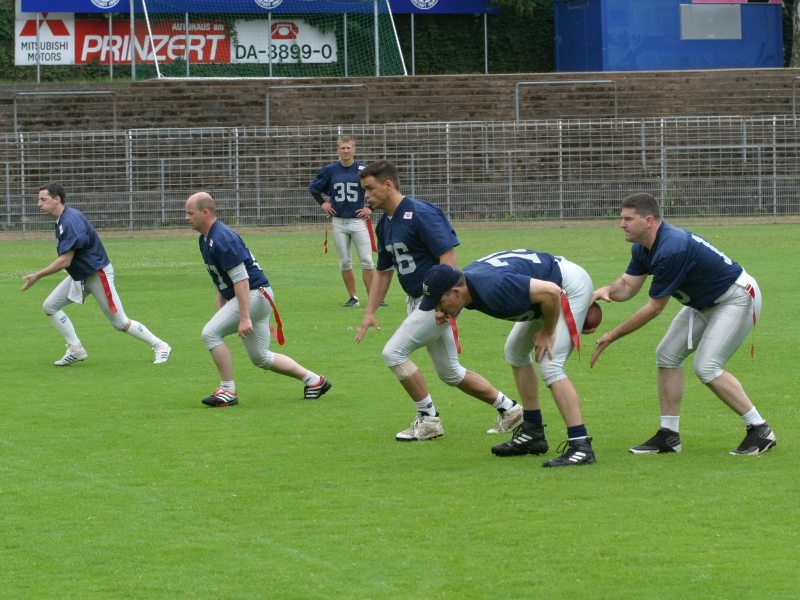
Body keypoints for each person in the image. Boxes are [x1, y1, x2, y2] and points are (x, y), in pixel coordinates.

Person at [591, 192, 776, 456]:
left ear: (649, 221)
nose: (621, 224)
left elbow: (655, 307)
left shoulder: (672, 247)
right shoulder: (642, 246)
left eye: (628, 219)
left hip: (735, 297)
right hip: (703, 303)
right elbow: (627, 287)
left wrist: (612, 335)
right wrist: (605, 291)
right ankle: (669, 436)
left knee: (707, 367)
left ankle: (760, 429)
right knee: (667, 355)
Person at [354, 160, 522, 441]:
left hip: (436, 298)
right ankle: (511, 409)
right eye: (364, 190)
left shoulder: (420, 212)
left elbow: (449, 259)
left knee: (393, 353)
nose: (366, 195)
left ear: (388, 185)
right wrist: (369, 311)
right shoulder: (385, 224)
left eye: (370, 189)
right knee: (450, 372)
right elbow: (383, 273)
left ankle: (429, 419)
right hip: (418, 299)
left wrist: (444, 304)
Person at [420, 252, 596, 467]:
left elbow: (551, 292)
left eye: (439, 303)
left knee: (551, 364)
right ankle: (533, 432)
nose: (438, 311)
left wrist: (549, 331)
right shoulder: (466, 285)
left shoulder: (493, 287)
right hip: (546, 290)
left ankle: (581, 445)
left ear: (456, 293)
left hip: (565, 288)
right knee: (515, 351)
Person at [185, 191, 332, 407]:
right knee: (261, 357)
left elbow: (241, 279)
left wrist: (244, 317)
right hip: (255, 296)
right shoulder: (206, 238)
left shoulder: (222, 238)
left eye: (190, 213)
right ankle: (314, 381)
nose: (186, 217)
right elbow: (221, 278)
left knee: (210, 333)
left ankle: (228, 390)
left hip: (253, 295)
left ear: (205, 212)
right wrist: (222, 308)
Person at [21, 183, 172, 366]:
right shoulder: (63, 220)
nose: (39, 204)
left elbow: (65, 261)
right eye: (39, 200)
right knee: (50, 306)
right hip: (81, 275)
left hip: (97, 274)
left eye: (43, 200)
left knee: (120, 322)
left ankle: (160, 345)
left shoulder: (70, 221)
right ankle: (76, 349)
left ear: (57, 199)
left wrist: (37, 275)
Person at [309, 135, 376, 307]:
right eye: (342, 148)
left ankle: (373, 298)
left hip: (358, 220)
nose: (345, 151)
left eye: (348, 148)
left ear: (354, 149)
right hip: (338, 221)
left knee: (367, 260)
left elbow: (378, 188)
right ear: (337, 150)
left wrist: (371, 207)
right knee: (345, 262)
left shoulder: (363, 169)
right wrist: (323, 203)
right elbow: (314, 188)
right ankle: (353, 297)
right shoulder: (330, 170)